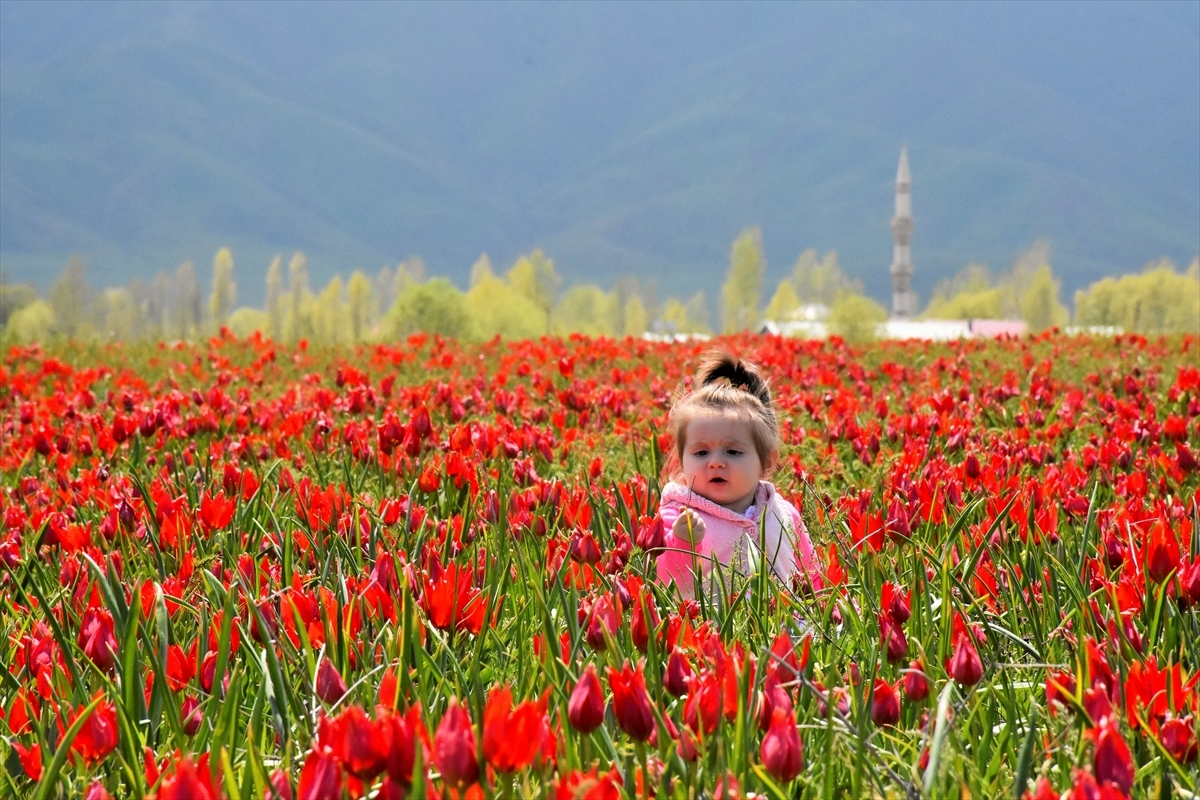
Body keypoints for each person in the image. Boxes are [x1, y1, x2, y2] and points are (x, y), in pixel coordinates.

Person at [656, 351, 821, 599]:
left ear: (766, 462)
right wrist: (682, 542)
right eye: (701, 453)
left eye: (732, 451)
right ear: (681, 461)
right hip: (715, 631)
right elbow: (666, 583)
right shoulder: (678, 517)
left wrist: (829, 607)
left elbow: (812, 573)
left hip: (789, 630)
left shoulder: (784, 513)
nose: (715, 463)